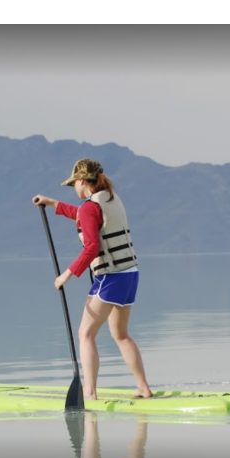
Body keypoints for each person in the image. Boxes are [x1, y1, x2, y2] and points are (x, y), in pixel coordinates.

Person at [33, 159, 152, 400]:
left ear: (81, 181)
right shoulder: (110, 198)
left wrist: (66, 275)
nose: (74, 189)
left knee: (85, 334)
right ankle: (143, 388)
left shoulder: (90, 207)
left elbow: (91, 247)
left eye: (74, 184)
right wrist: (52, 203)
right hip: (129, 273)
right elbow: (83, 216)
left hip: (110, 276)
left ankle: (90, 393)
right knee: (121, 335)